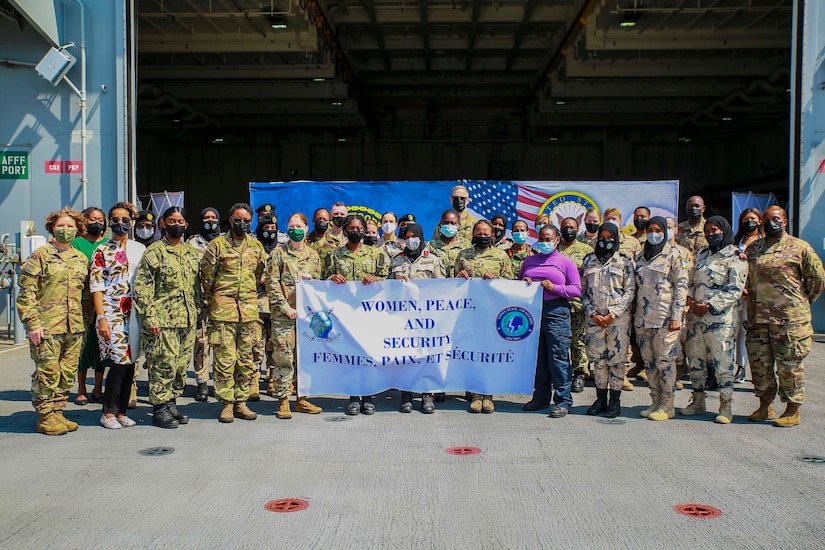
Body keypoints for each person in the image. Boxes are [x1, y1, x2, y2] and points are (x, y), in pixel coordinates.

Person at [744, 206, 825, 427]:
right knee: (760, 366)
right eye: (767, 219)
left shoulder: (800, 248)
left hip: (789, 322)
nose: (772, 223)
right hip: (758, 320)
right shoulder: (754, 249)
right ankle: (764, 406)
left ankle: (792, 410)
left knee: (789, 367)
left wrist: (798, 302)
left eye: (776, 219)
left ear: (785, 222)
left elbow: (817, 280)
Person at [18, 207, 89, 435]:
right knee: (47, 372)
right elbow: (26, 292)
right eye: (60, 226)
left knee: (67, 372)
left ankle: (58, 412)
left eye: (70, 226)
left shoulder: (80, 258)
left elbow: (85, 294)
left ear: (78, 230)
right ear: (52, 228)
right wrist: (32, 323)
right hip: (47, 326)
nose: (65, 230)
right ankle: (45, 416)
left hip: (74, 326)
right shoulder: (40, 255)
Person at [133, 207, 201, 428]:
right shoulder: (155, 251)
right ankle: (159, 408)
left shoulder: (191, 253)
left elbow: (196, 288)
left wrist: (198, 313)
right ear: (163, 223)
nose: (177, 224)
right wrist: (150, 317)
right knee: (164, 364)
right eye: (172, 221)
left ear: (186, 225)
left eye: (180, 221)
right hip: (163, 320)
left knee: (181, 366)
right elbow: (143, 287)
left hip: (187, 319)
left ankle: (171, 403)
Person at [200, 203, 266, 423]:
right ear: (230, 220)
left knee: (246, 359)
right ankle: (226, 405)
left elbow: (258, 277)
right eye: (238, 220)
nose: (243, 224)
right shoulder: (217, 246)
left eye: (247, 221)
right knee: (225, 360)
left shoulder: (256, 247)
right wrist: (215, 302)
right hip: (223, 312)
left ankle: (241, 403)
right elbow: (207, 278)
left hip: (248, 312)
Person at [681, 216, 748, 424]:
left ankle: (725, 406)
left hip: (720, 321)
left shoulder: (736, 256)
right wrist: (692, 303)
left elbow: (735, 288)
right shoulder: (700, 254)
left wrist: (709, 306)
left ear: (724, 231)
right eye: (708, 231)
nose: (711, 234)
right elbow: (689, 280)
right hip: (696, 318)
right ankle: (698, 402)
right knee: (696, 360)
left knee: (723, 363)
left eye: (715, 230)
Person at [323, 214, 390, 415]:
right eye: (351, 228)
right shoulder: (334, 255)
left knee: (368, 355)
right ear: (345, 231)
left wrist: (376, 278)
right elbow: (321, 279)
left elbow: (388, 280)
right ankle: (353, 397)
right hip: (344, 316)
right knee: (351, 356)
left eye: (359, 228)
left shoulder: (377, 254)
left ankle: (368, 397)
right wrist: (331, 278)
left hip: (369, 314)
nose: (356, 231)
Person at [91, 202, 146, 429]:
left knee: (130, 361)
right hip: (112, 313)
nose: (120, 224)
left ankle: (122, 411)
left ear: (132, 222)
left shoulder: (139, 249)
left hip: (134, 314)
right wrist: (101, 317)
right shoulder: (102, 251)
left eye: (125, 220)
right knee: (118, 360)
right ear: (109, 223)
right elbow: (97, 286)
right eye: (115, 219)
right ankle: (108, 412)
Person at [519, 225, 582, 418]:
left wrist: (555, 287)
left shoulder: (565, 262)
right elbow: (519, 283)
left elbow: (576, 290)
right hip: (533, 311)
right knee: (538, 357)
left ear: (556, 240)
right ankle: (540, 397)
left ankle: (563, 400)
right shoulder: (529, 261)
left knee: (558, 357)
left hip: (556, 311)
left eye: (548, 239)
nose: (544, 242)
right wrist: (525, 282)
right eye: (541, 238)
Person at [266, 212, 323, 419]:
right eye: (291, 226)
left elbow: (319, 287)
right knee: (283, 358)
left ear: (306, 229)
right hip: (284, 316)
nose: (295, 229)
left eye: (298, 226)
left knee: (304, 358)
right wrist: (285, 308)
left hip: (306, 318)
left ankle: (302, 399)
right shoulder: (278, 254)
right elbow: (271, 284)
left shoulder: (313, 256)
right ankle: (283, 400)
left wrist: (312, 281)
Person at [455, 220, 514, 413]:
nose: (483, 235)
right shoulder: (463, 255)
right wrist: (458, 277)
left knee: (489, 352)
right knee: (472, 351)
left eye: (486, 232)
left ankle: (488, 394)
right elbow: (450, 282)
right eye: (479, 232)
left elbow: (511, 282)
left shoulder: (501, 255)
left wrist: (496, 280)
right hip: (469, 312)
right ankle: (475, 394)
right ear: (473, 234)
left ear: (492, 235)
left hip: (493, 312)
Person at [633, 216, 688, 421]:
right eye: (650, 229)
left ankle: (668, 404)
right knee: (649, 362)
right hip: (643, 319)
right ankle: (655, 400)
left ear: (665, 232)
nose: (654, 233)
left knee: (665, 362)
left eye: (658, 229)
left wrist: (677, 317)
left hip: (665, 319)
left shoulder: (675, 254)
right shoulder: (640, 256)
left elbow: (681, 287)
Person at [389, 222, 446, 414]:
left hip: (427, 319)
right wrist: (395, 283)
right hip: (402, 318)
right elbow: (386, 289)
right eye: (407, 236)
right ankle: (406, 394)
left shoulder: (434, 260)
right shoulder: (397, 260)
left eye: (415, 236)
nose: (411, 240)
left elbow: (442, 290)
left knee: (425, 355)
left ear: (421, 237)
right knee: (405, 356)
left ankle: (427, 394)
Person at [581, 222, 636, 418]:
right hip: (595, 320)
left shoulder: (624, 262)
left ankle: (615, 401)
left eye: (610, 237)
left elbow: (630, 291)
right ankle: (600, 399)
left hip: (617, 321)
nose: (606, 241)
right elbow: (583, 291)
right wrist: (593, 313)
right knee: (599, 361)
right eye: (602, 237)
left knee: (617, 361)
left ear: (616, 238)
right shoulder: (588, 261)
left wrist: (613, 314)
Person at [72, 207, 109, 405]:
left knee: (100, 345)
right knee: (83, 346)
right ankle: (80, 388)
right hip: (81, 301)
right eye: (93, 219)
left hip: (103, 301)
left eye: (100, 219)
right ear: (84, 221)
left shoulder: (107, 244)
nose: (97, 222)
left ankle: (98, 387)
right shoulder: (76, 243)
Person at [188, 207, 221, 401]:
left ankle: (220, 381)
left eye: (214, 217)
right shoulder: (192, 243)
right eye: (207, 218)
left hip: (221, 302)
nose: (210, 221)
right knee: (201, 342)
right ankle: (201, 382)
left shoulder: (225, 242)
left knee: (220, 342)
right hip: (201, 301)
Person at [558, 216, 594, 393]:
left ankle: (580, 373)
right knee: (560, 341)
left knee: (578, 340)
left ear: (577, 228)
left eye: (572, 227)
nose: (569, 230)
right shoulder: (554, 248)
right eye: (565, 227)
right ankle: (563, 373)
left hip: (577, 304)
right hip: (557, 303)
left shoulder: (586, 250)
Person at [251, 212, 280, 401]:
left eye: (272, 229)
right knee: (255, 345)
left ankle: (272, 380)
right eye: (265, 229)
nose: (269, 232)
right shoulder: (253, 248)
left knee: (274, 344)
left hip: (276, 305)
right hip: (256, 304)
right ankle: (253, 381)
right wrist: (258, 279)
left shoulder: (281, 250)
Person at [666, 216, 696, 391]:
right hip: (660, 307)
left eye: (670, 227)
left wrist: (686, 304)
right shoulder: (655, 251)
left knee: (678, 342)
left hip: (679, 306)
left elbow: (688, 279)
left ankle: (676, 374)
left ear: (676, 230)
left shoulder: (684, 253)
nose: (667, 230)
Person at [733, 208, 763, 383]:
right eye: (745, 219)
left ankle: (762, 369)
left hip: (757, 294)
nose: (749, 221)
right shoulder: (738, 241)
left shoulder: (764, 242)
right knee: (740, 331)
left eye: (752, 218)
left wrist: (751, 288)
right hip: (738, 293)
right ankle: (741, 366)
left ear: (760, 221)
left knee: (758, 332)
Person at [427, 209, 468, 279]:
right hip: (438, 286)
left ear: (458, 225)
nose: (449, 226)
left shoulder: (466, 245)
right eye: (446, 223)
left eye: (453, 223)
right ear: (441, 225)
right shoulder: (430, 246)